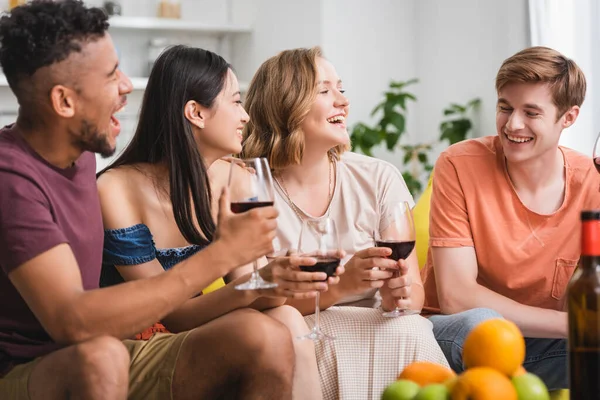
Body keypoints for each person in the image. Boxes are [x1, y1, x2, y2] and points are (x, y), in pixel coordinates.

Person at [0, 1, 295, 399]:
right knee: (100, 357)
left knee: (264, 336)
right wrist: (222, 254)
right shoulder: (11, 178)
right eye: (110, 76)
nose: (127, 85)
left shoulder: (82, 157)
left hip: (113, 349)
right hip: (28, 367)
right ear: (64, 102)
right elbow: (71, 322)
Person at [96, 44, 331, 400]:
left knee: (287, 320)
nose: (247, 116)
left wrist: (284, 280)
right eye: (236, 102)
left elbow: (248, 293)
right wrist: (260, 283)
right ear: (196, 113)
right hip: (133, 338)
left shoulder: (237, 178)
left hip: (193, 326)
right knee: (257, 328)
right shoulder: (116, 188)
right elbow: (171, 315)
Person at [241, 47, 449, 399]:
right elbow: (252, 301)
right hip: (299, 330)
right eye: (325, 91)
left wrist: (397, 295)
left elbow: (413, 293)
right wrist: (338, 288)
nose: (343, 102)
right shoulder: (248, 187)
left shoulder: (378, 177)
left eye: (342, 89)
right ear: (285, 104)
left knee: (412, 328)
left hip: (380, 325)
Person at [421, 46, 600, 390]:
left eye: (531, 112)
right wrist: (573, 326)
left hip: (539, 346)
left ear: (569, 117)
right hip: (457, 336)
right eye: (505, 108)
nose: (513, 124)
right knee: (486, 325)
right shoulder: (459, 164)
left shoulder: (590, 180)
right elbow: (456, 296)